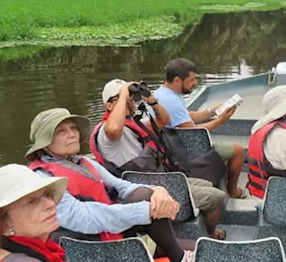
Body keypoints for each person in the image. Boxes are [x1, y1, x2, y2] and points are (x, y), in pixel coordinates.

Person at [26, 108, 194, 262]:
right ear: (45, 143)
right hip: (91, 252)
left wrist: (157, 191)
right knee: (191, 249)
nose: (72, 134)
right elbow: (85, 218)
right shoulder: (42, 179)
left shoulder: (84, 162)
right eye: (61, 131)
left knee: (146, 195)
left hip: (114, 235)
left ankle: (178, 261)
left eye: (73, 128)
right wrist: (147, 210)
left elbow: (123, 186)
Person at [92, 79, 226, 239]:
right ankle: (211, 235)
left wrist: (151, 100)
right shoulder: (105, 134)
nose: (129, 100)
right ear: (109, 105)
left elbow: (164, 121)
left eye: (130, 97)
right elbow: (114, 129)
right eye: (122, 98)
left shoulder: (135, 124)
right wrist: (123, 95)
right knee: (217, 197)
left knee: (207, 184)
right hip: (146, 190)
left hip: (161, 179)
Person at [154, 58, 248, 199]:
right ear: (177, 80)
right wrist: (220, 121)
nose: (195, 83)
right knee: (238, 150)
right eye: (191, 80)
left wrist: (212, 112)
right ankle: (232, 191)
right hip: (183, 152)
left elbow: (185, 117)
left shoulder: (161, 93)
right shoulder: (172, 101)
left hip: (172, 146)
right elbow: (194, 133)